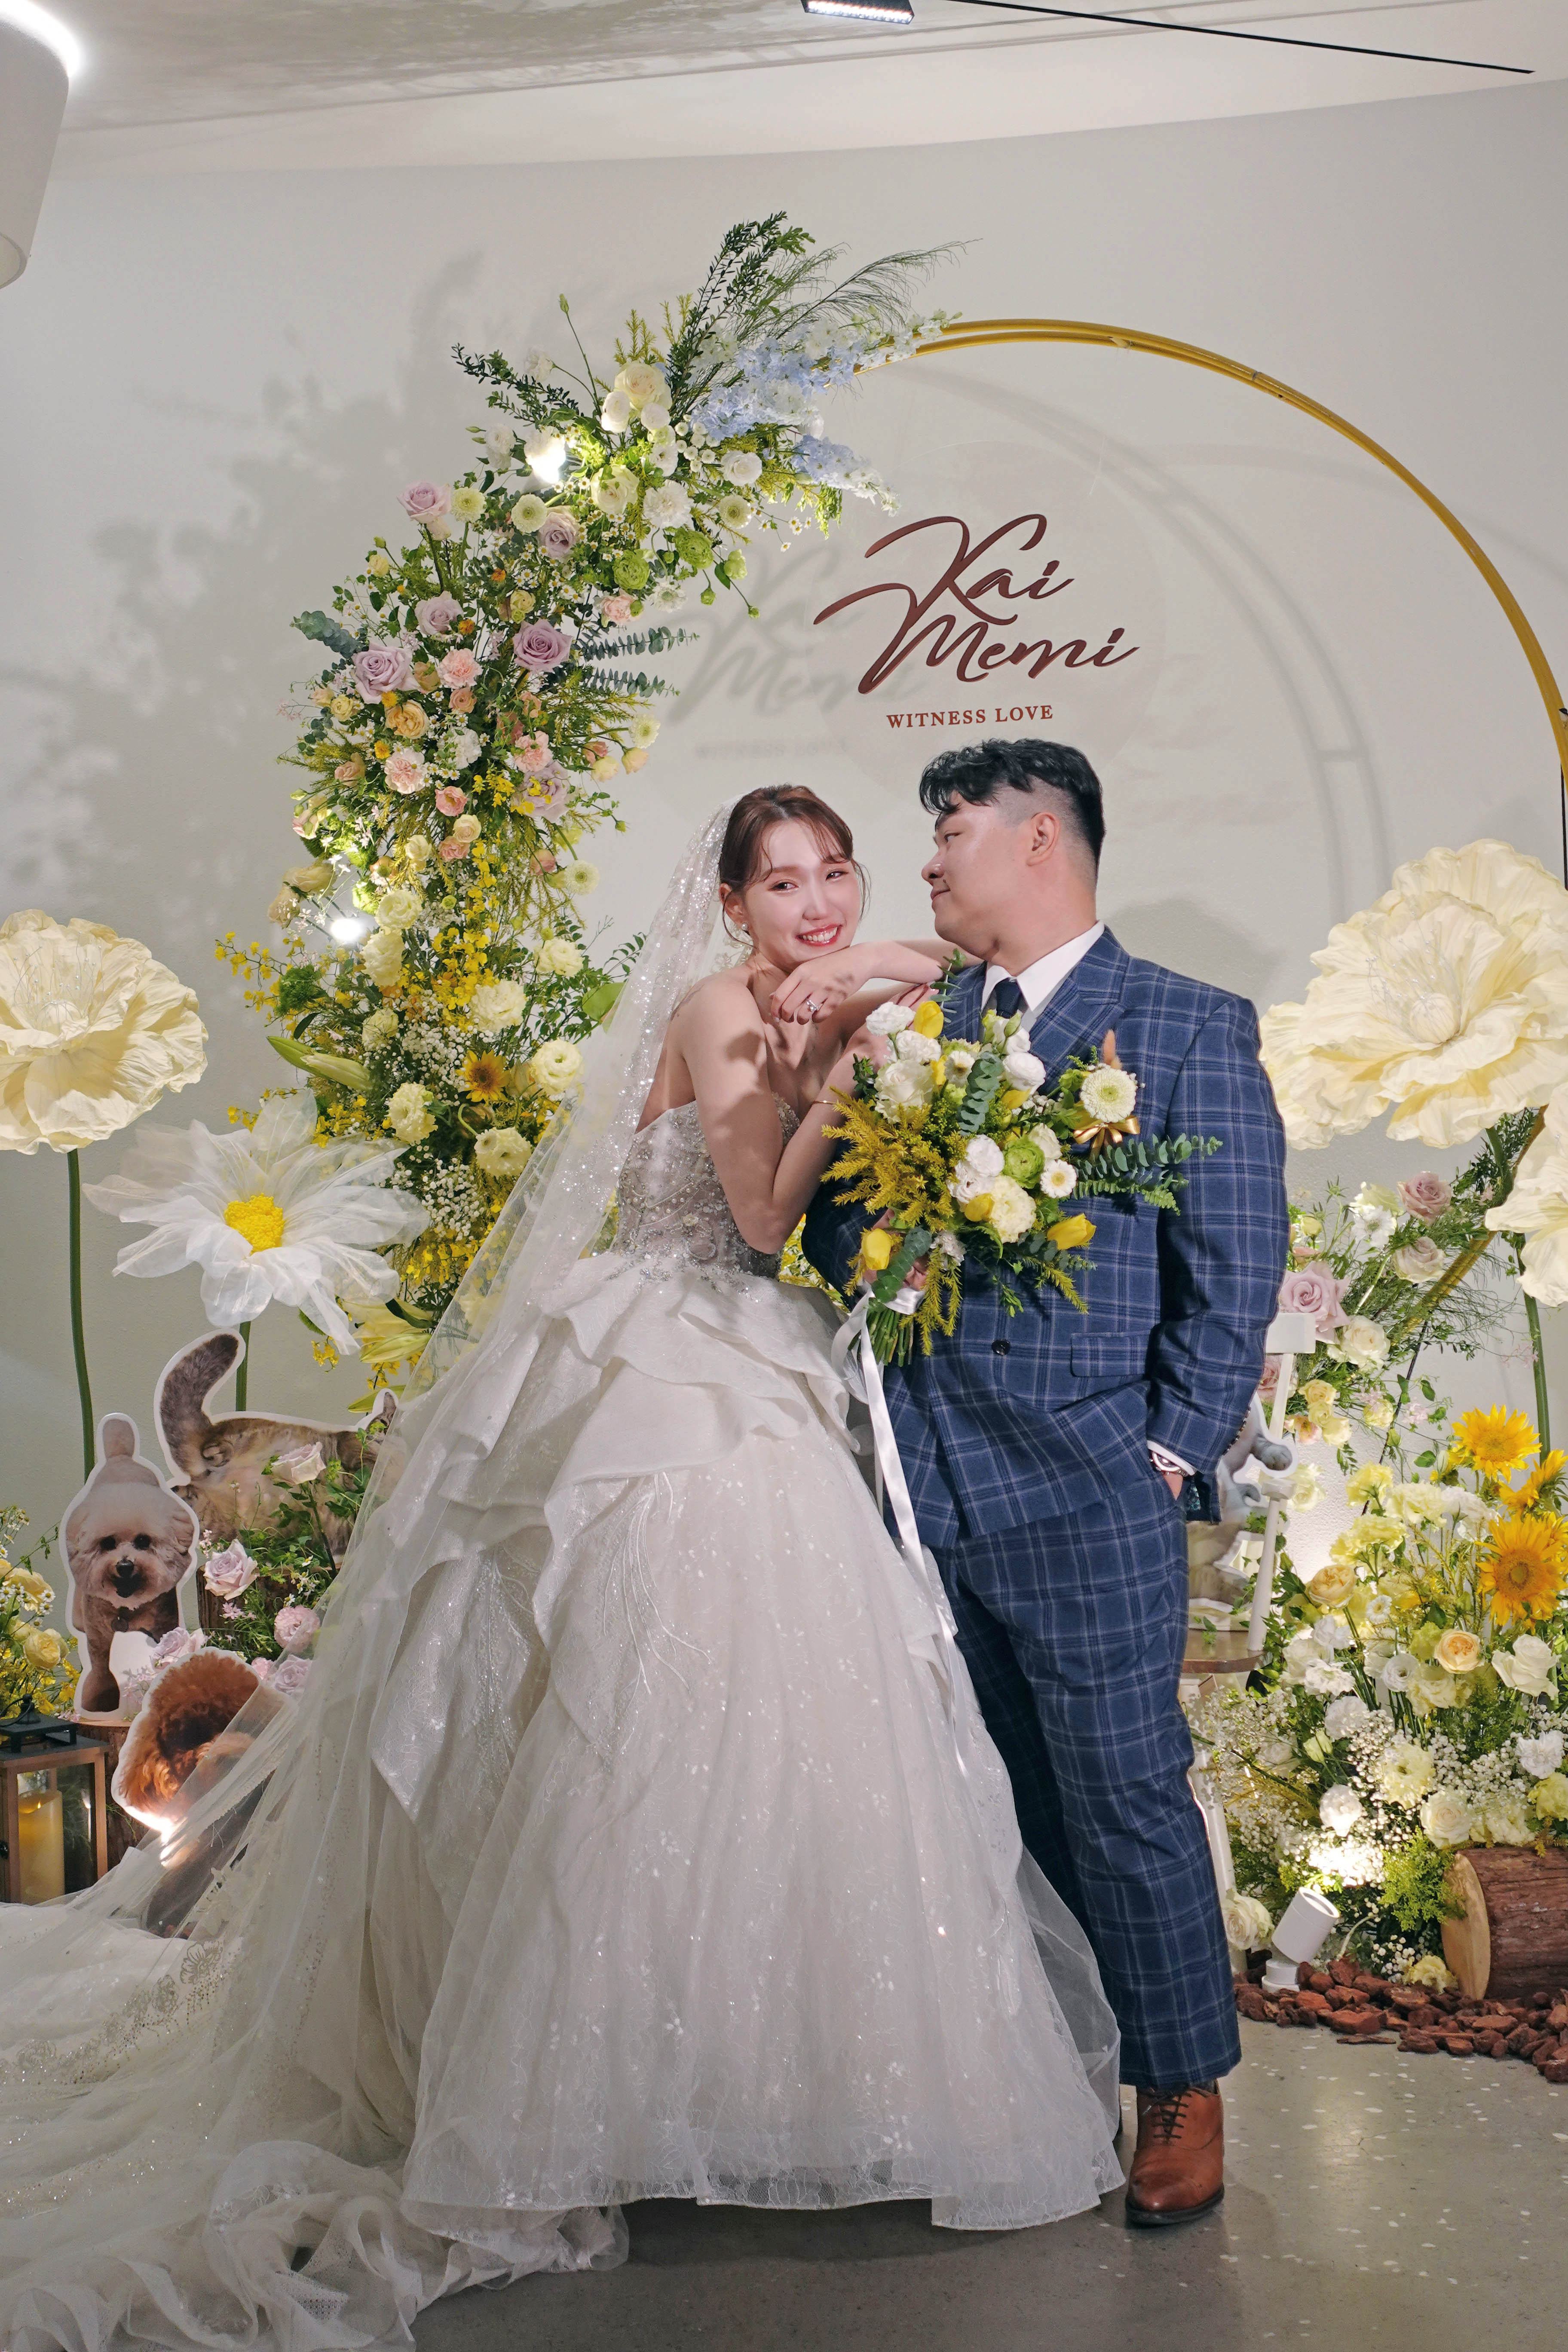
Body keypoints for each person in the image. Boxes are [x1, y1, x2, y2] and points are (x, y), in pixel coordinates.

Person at [0, 787, 1121, 2352]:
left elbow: (944, 960)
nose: (815, 903)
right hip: (671, 1349)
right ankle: (589, 2093)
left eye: (835, 874)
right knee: (645, 1700)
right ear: (728, 904)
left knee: (797, 1714)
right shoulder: (718, 1007)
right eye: (780, 884)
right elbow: (758, 1217)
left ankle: (766, 2077)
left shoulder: (817, 978)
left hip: (753, 1355)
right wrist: (852, 1081)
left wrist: (861, 973)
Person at [800, 740, 1289, 2227]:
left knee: (1125, 1794)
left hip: (1090, 1490)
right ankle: (1057, 2069)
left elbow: (1235, 1269)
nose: (927, 865)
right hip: (924, 1489)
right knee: (990, 1800)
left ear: (1038, 842)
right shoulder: (921, 1028)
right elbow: (834, 1231)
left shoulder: (1188, 1025)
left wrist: (1166, 1452)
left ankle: (1180, 2086)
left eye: (949, 834)